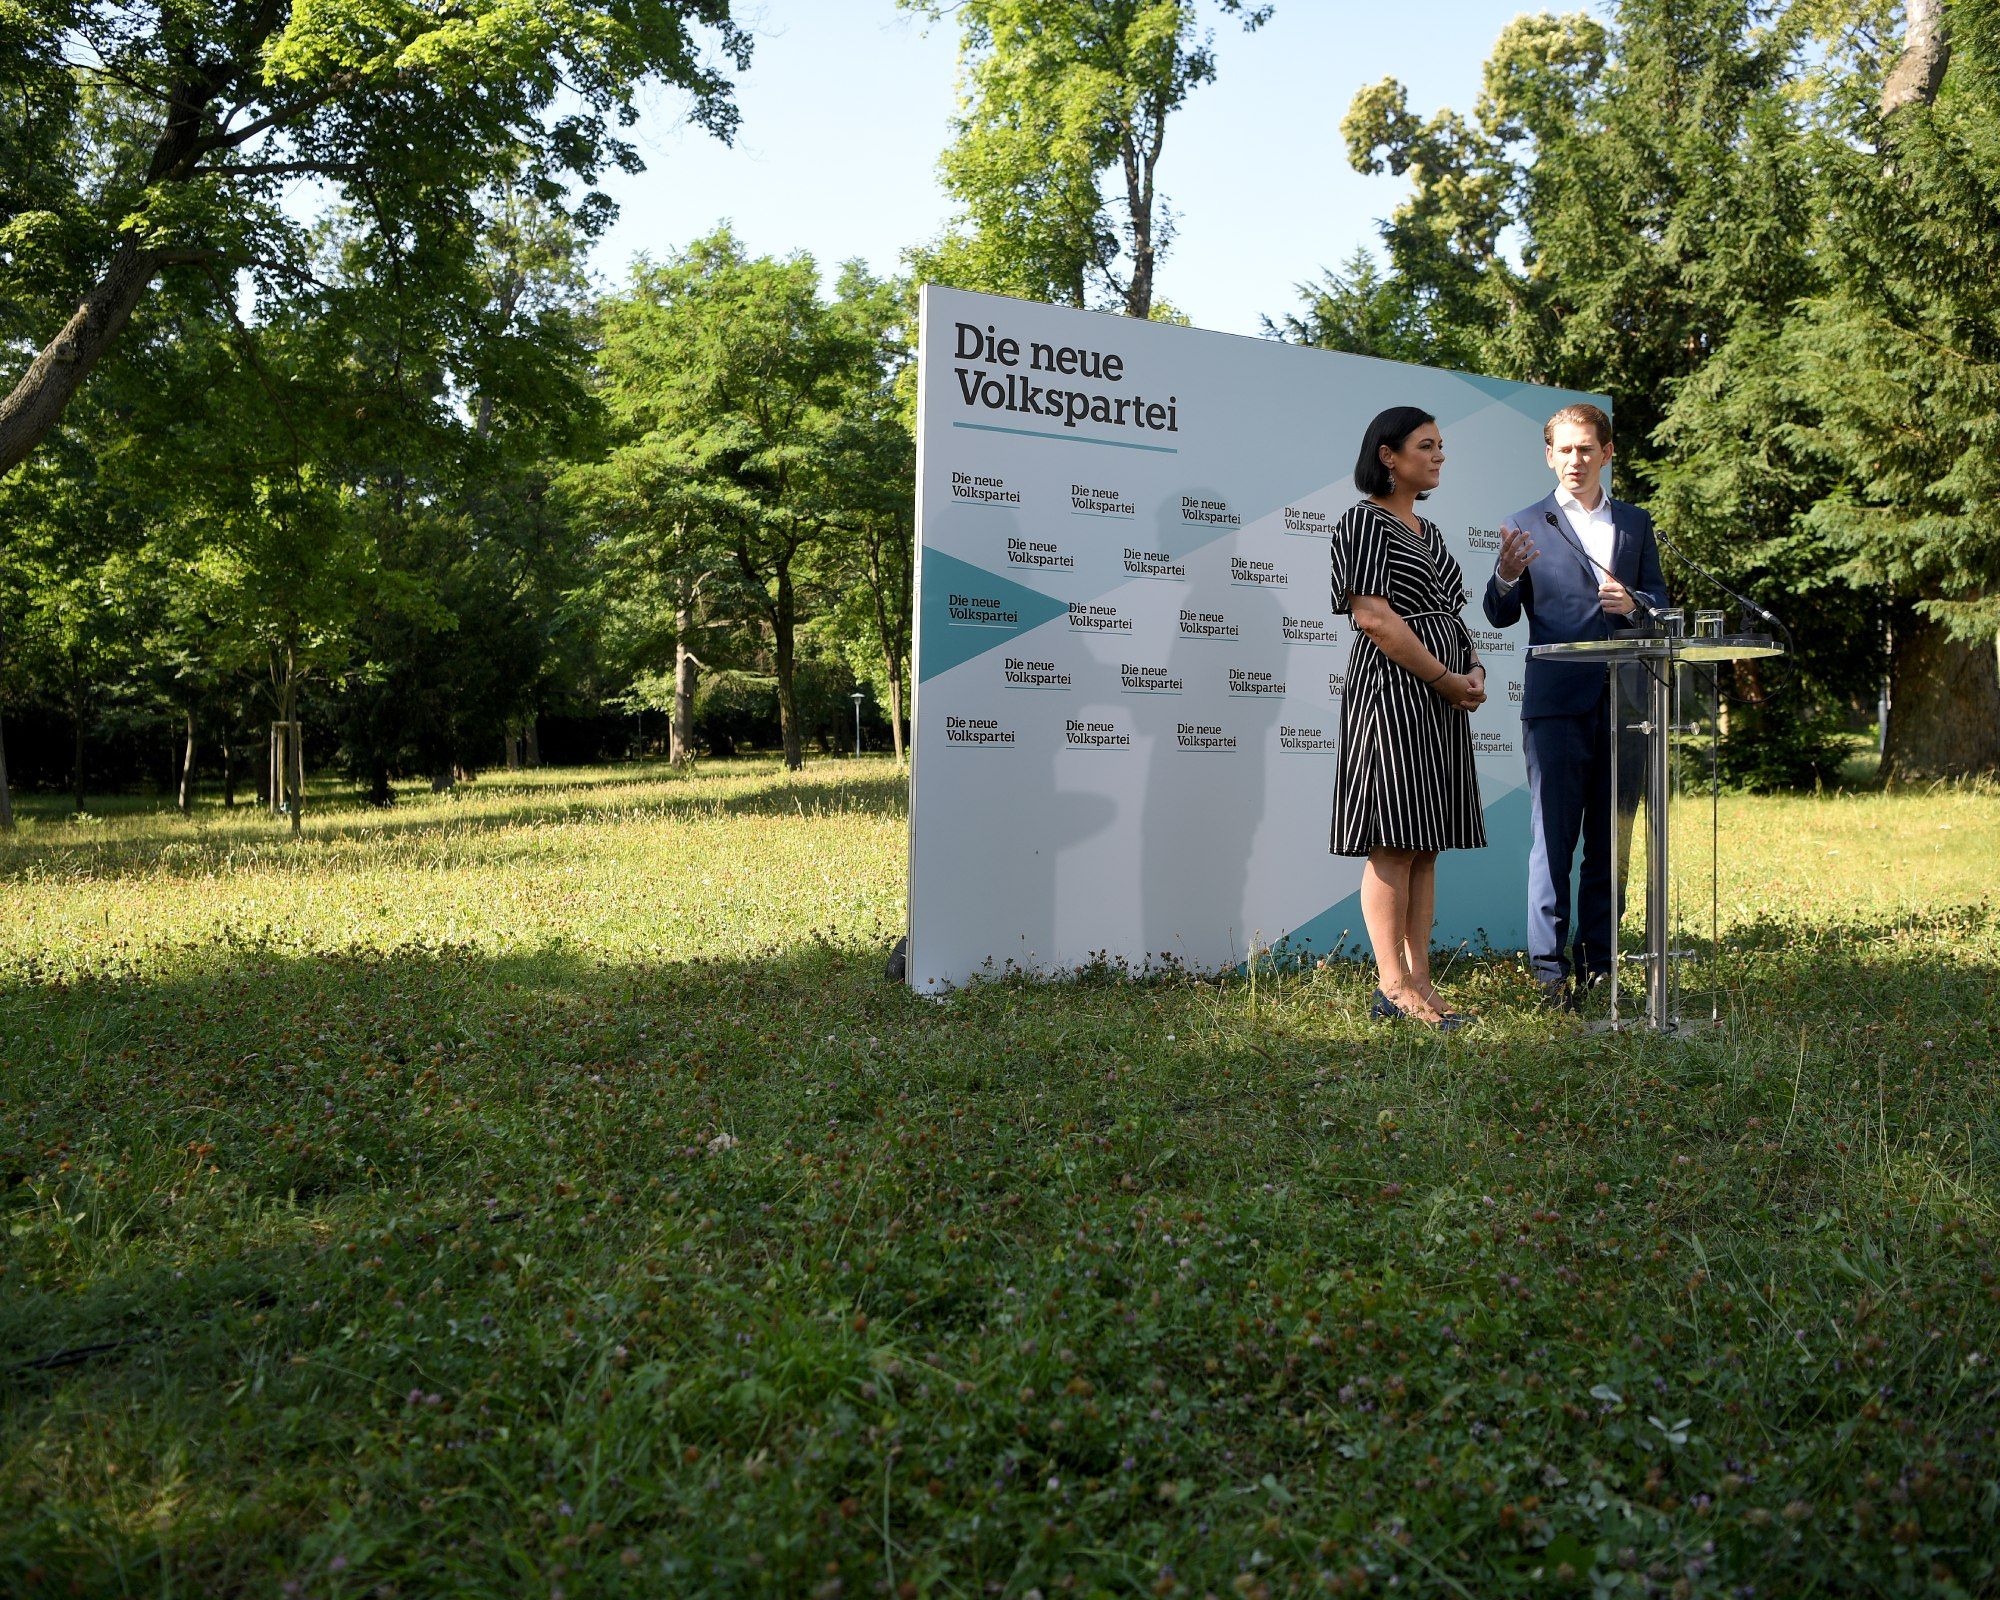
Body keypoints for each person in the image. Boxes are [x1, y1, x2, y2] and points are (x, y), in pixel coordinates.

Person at [1483, 402, 1667, 1008]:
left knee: (1612, 841)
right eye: (1564, 449)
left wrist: (1635, 603)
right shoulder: (1525, 523)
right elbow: (1499, 613)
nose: (1575, 459)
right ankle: (1548, 971)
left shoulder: (1637, 525)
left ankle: (1600, 962)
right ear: (1549, 455)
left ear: (1607, 453)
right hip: (1558, 705)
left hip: (1627, 704)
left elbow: (1660, 607)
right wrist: (1506, 578)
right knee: (1554, 840)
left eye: (1586, 448)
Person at [1329, 405, 1487, 1030]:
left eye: (1442, 445)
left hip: (1441, 697)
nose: (1439, 455)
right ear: (1388, 456)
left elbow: (1449, 613)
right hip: (1393, 694)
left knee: (1425, 845)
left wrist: (1472, 670)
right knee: (1392, 841)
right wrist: (1446, 678)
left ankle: (1421, 982)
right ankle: (1391, 987)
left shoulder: (1430, 531)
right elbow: (1374, 617)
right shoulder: (1362, 523)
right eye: (1426, 445)